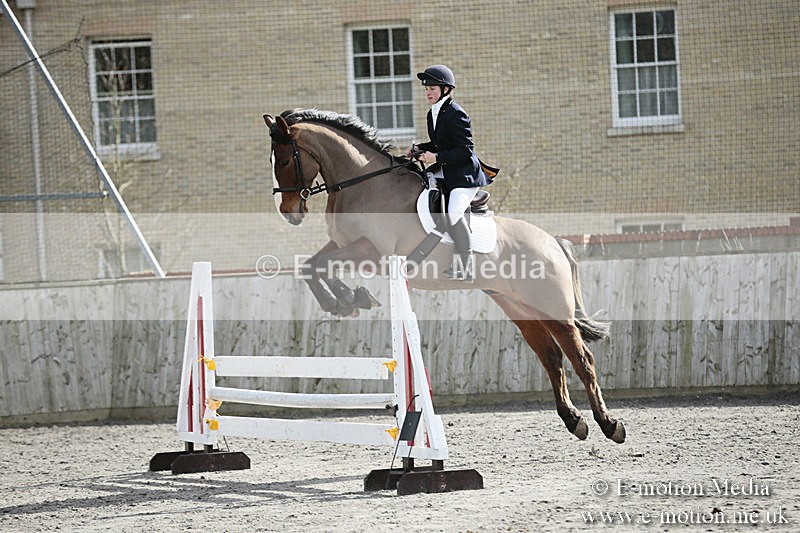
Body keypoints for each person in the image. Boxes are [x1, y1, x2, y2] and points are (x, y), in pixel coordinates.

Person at [405, 64, 493, 282]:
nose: (427, 92)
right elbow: (438, 143)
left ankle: (467, 267)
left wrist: (435, 158)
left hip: (465, 176)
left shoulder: (456, 113)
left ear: (445, 89)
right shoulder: (433, 113)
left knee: (453, 213)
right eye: (426, 88)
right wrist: (420, 149)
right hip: (449, 172)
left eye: (432, 88)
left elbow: (465, 150)